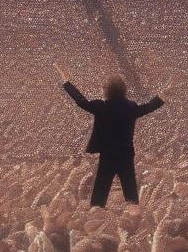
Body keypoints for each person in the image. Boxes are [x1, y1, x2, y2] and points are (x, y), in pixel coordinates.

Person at [54, 63, 170, 208]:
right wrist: (166, 91)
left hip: (107, 156)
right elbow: (149, 107)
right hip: (125, 155)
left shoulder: (101, 107)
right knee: (131, 196)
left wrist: (66, 79)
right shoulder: (131, 108)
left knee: (98, 198)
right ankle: (134, 222)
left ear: (108, 90)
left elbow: (81, 101)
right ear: (123, 90)